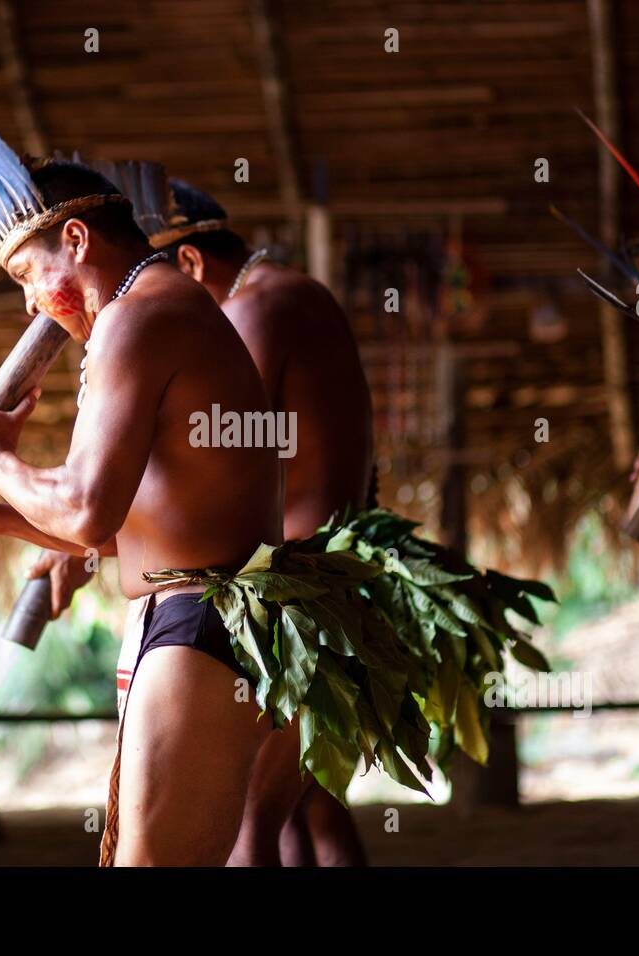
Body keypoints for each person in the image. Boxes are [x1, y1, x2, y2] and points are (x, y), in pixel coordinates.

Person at [154, 179, 373, 866]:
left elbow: (213, 467)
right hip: (336, 581)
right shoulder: (303, 295)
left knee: (250, 815)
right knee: (311, 808)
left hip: (288, 595)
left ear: (190, 264)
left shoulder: (250, 312)